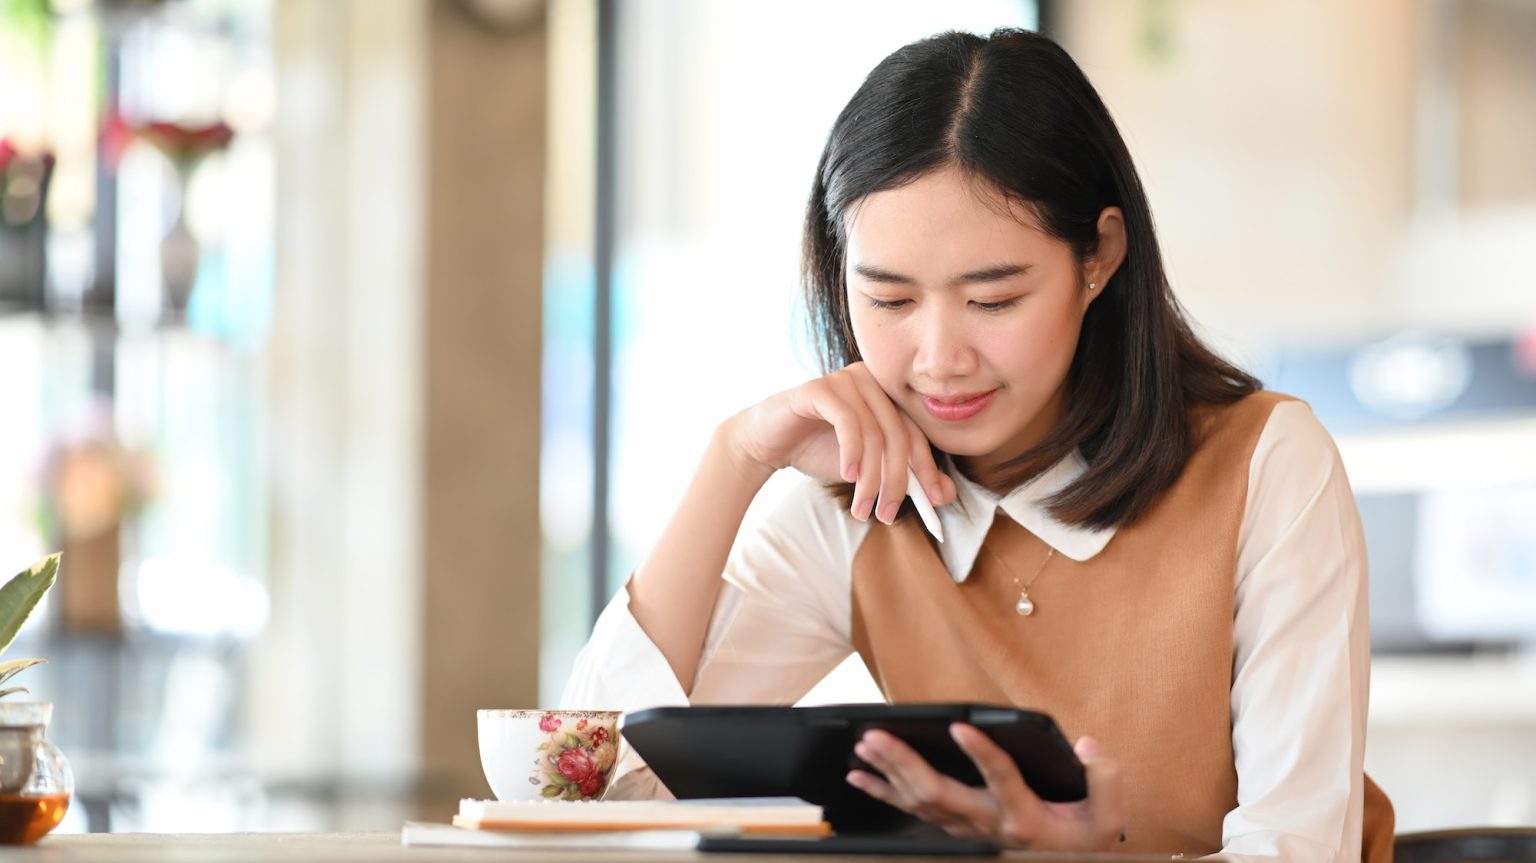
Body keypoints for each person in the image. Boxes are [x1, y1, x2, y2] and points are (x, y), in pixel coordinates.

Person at [561, 27, 1394, 862]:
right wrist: (734, 457)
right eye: (888, 300)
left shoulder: (1265, 465)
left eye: (993, 300)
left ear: (1098, 255)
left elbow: (1300, 848)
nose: (939, 360)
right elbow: (592, 789)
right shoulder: (858, 502)